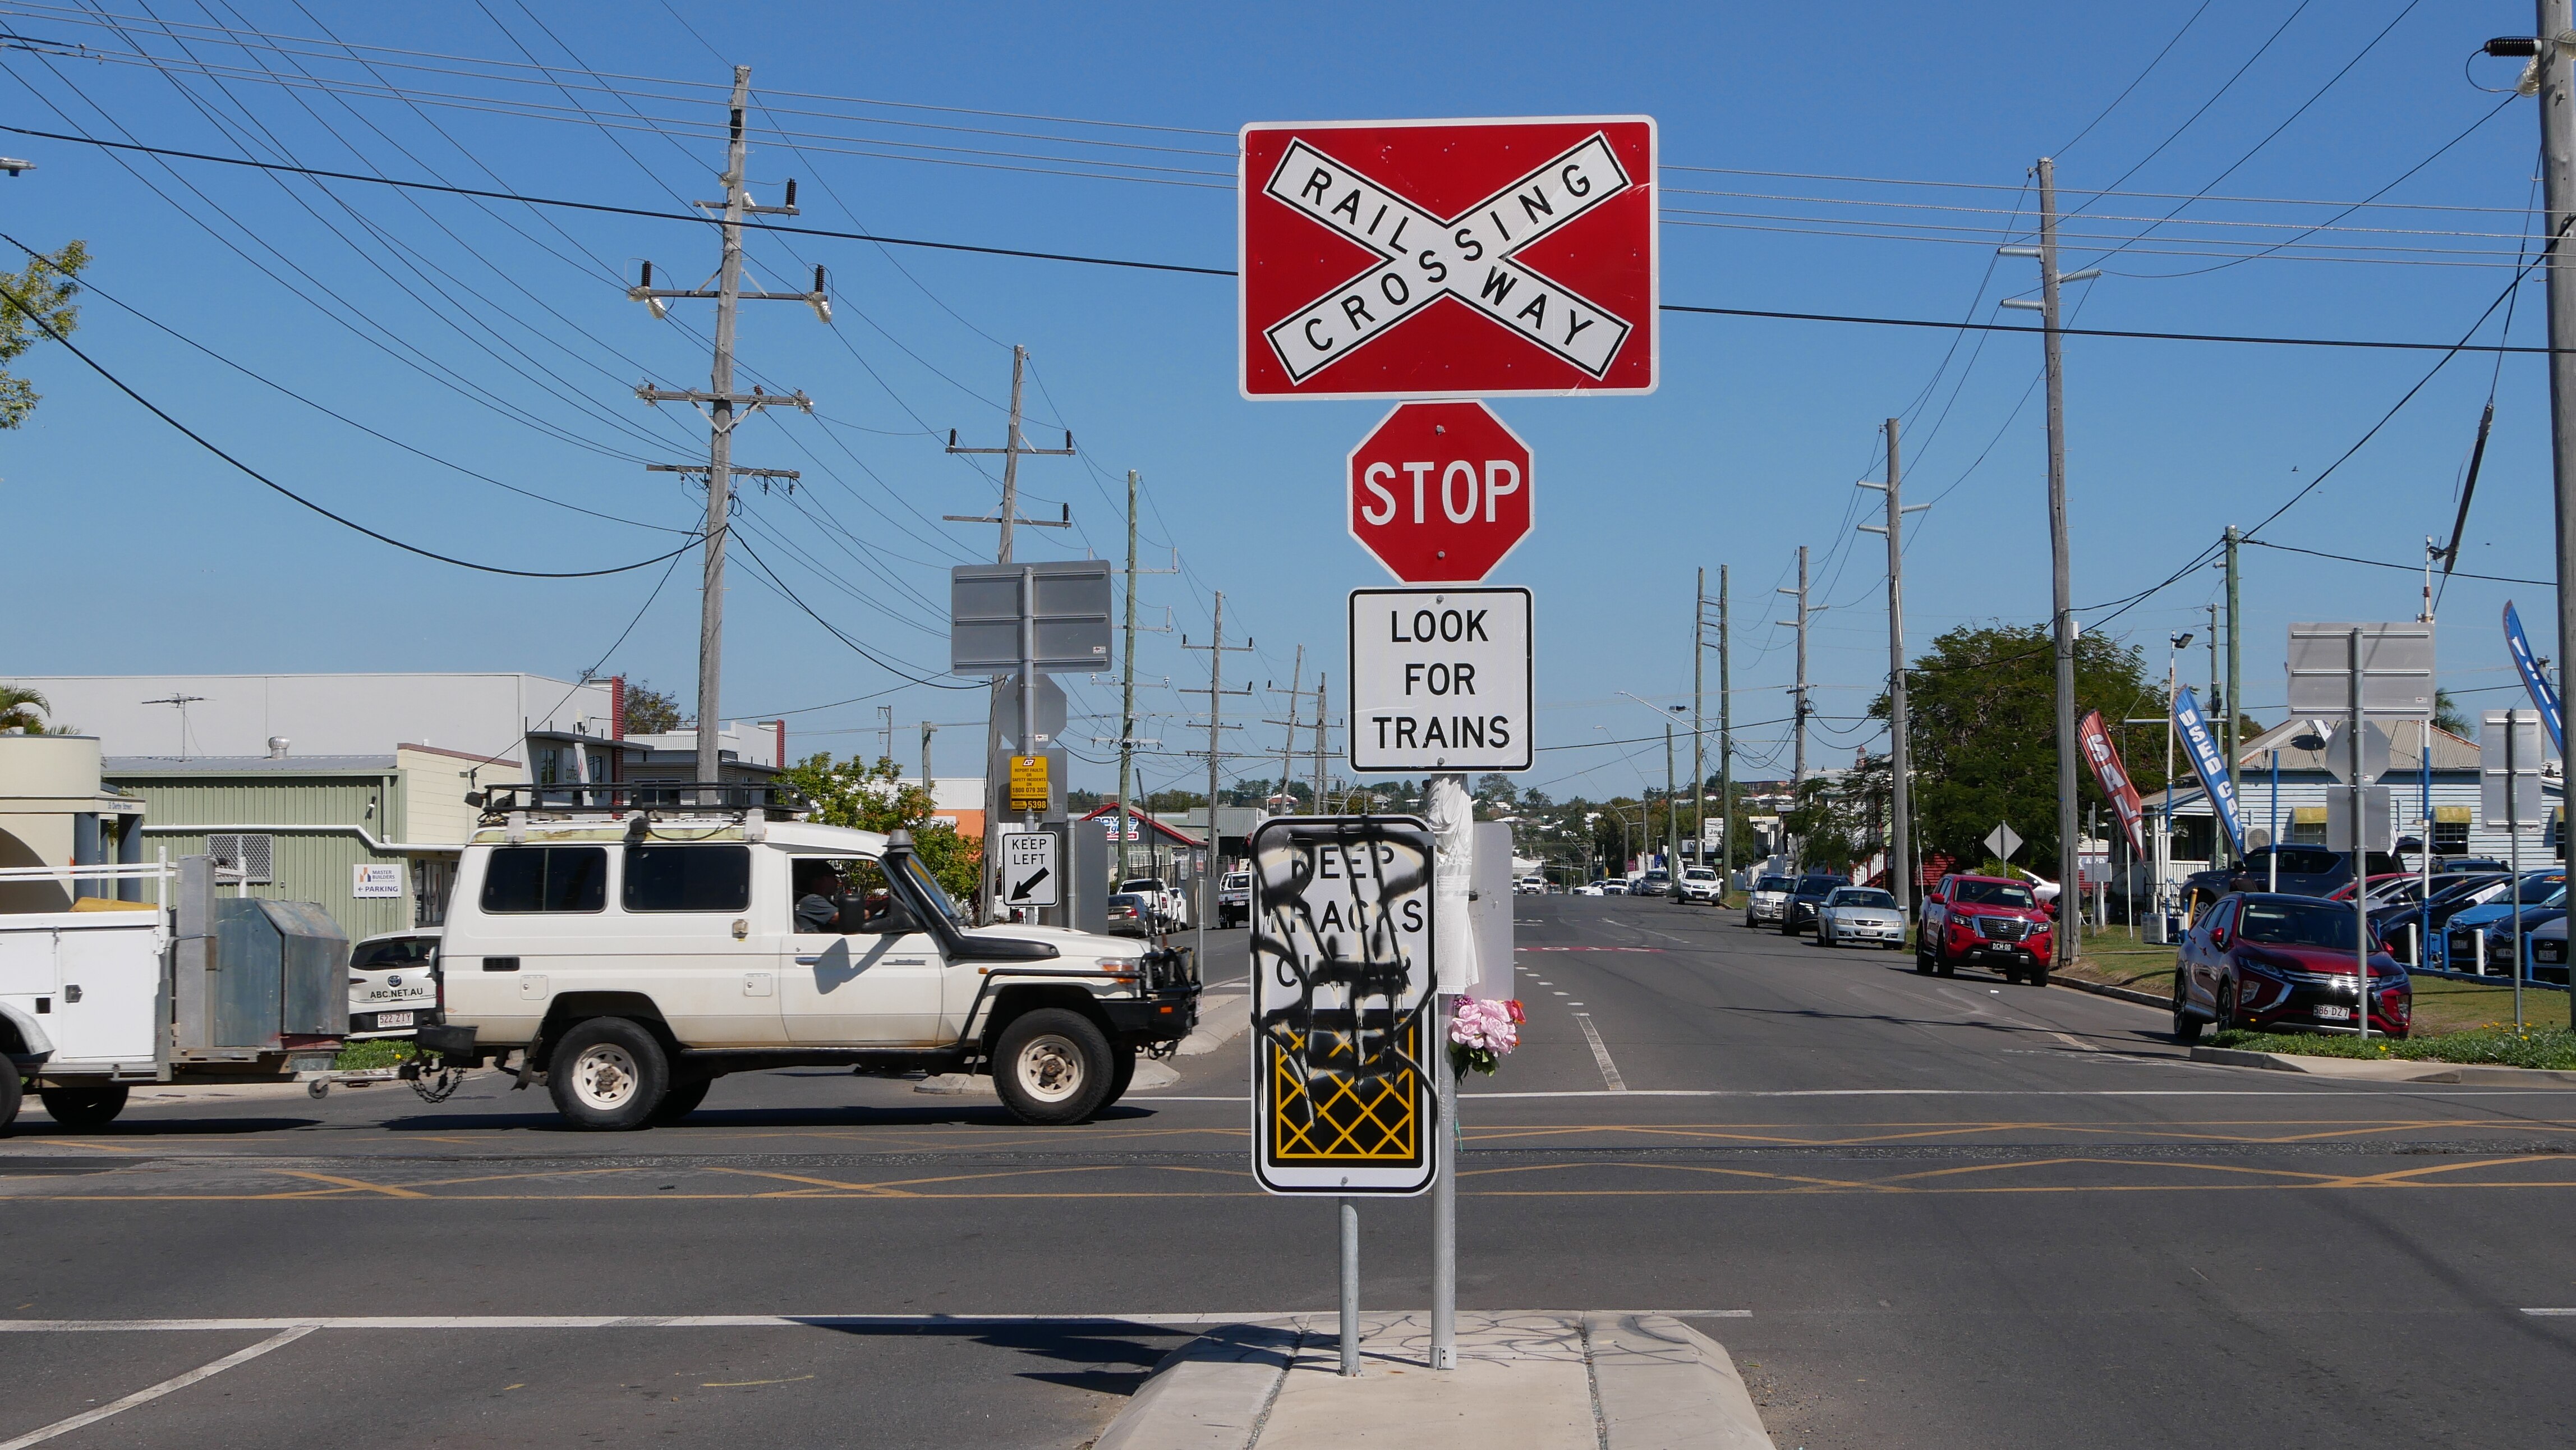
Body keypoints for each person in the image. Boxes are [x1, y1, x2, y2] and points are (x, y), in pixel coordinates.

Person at [793, 860, 844, 934]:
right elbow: (845, 918)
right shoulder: (812, 901)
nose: (837, 881)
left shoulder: (817, 900)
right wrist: (866, 913)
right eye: (833, 877)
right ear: (821, 879)